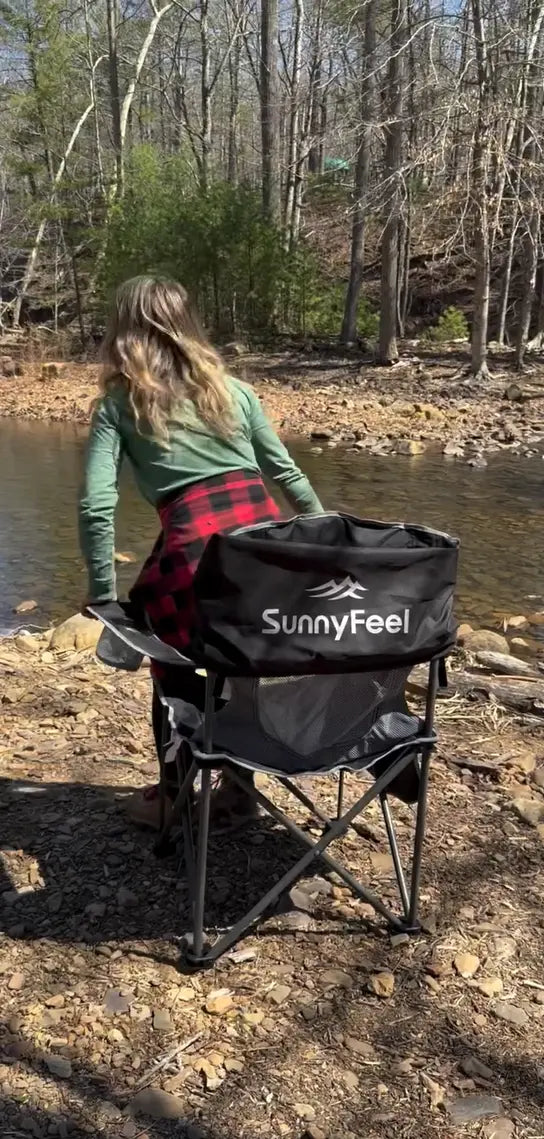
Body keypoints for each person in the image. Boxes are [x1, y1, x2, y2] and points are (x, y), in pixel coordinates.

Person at [79, 276, 323, 829]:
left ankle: (174, 792)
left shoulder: (120, 403)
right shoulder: (234, 391)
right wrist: (325, 547)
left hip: (195, 555)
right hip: (265, 555)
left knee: (174, 667)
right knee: (244, 661)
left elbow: (97, 505)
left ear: (125, 331)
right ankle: (237, 790)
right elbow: (287, 476)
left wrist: (100, 595)